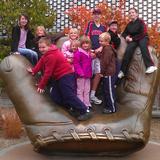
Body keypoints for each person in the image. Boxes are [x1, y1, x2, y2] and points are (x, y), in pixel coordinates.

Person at [27, 37, 92, 121]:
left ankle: (85, 110)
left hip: (66, 75)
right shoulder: (47, 53)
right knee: (55, 96)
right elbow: (41, 61)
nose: (41, 49)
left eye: (43, 47)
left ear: (49, 46)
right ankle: (72, 108)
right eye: (40, 47)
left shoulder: (51, 56)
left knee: (68, 94)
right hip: (58, 77)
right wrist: (33, 71)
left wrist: (41, 86)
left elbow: (48, 73)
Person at [118, 8, 157, 79]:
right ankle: (123, 71)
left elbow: (143, 33)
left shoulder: (141, 22)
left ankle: (150, 66)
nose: (131, 14)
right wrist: (126, 37)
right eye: (130, 13)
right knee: (128, 50)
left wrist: (132, 39)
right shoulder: (129, 24)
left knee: (143, 46)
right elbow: (124, 33)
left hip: (143, 37)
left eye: (133, 12)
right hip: (134, 40)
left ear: (136, 14)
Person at [85, 8, 106, 105]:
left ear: (101, 15)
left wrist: (100, 49)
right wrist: (90, 51)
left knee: (98, 73)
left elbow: (106, 41)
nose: (96, 16)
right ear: (92, 15)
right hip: (90, 53)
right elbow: (86, 38)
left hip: (99, 54)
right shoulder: (90, 24)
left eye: (98, 14)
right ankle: (86, 95)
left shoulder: (103, 27)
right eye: (95, 14)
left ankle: (92, 95)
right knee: (88, 74)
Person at [99, 32, 117, 114]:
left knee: (109, 90)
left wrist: (101, 72)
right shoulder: (106, 48)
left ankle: (112, 108)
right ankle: (108, 106)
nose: (100, 42)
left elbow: (105, 62)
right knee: (106, 90)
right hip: (107, 73)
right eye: (99, 41)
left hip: (108, 73)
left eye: (101, 41)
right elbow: (103, 57)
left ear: (107, 42)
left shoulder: (107, 49)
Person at [73, 35, 93, 110]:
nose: (85, 45)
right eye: (83, 43)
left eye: (87, 43)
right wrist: (80, 72)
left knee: (87, 90)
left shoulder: (88, 52)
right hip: (81, 76)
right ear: (80, 44)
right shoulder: (78, 53)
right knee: (80, 90)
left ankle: (87, 104)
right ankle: (80, 105)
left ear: (89, 44)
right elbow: (76, 64)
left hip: (87, 75)